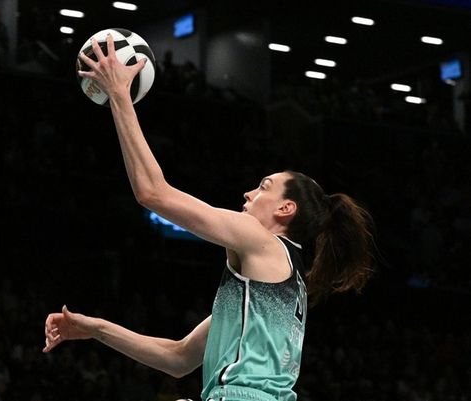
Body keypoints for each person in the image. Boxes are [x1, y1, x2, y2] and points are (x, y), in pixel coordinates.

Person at [43, 34, 377, 401]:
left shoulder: (260, 239)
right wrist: (96, 329)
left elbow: (152, 193)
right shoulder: (269, 286)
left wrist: (120, 94)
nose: (249, 193)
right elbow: (178, 358)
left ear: (286, 209)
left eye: (264, 187)